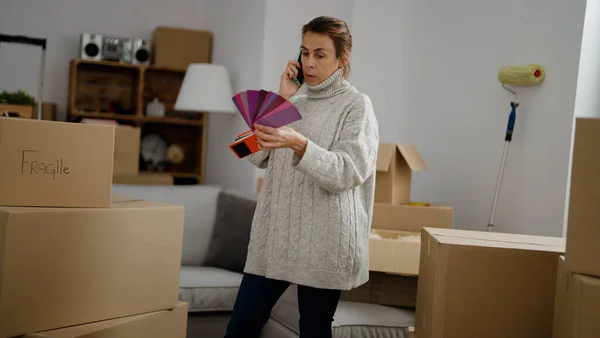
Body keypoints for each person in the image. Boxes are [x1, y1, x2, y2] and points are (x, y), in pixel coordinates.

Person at [225, 15, 379, 338]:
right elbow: (250, 152)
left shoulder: (357, 106)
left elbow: (347, 171)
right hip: (276, 236)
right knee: (240, 328)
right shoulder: (293, 99)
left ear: (342, 58)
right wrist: (279, 99)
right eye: (304, 52)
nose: (309, 63)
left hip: (323, 242)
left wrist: (298, 143)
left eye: (320, 54)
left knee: (313, 330)